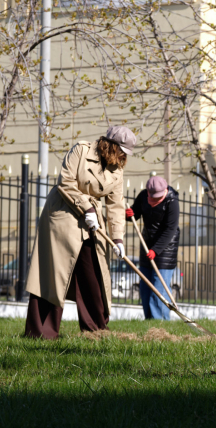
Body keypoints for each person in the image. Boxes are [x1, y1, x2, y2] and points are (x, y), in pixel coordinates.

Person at [25, 125, 136, 339]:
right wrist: (88, 208)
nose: (123, 156)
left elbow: (115, 205)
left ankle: (96, 330)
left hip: (92, 223)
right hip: (63, 214)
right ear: (110, 145)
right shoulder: (81, 150)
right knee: (53, 274)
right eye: (121, 151)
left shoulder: (117, 170)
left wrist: (118, 239)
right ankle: (41, 332)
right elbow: (65, 182)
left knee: (94, 272)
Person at [127, 175, 179, 320]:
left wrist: (156, 250)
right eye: (152, 196)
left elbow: (170, 229)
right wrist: (130, 214)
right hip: (146, 245)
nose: (155, 199)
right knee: (145, 287)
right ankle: (149, 321)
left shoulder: (172, 201)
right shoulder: (143, 196)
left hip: (165, 249)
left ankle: (159, 322)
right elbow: (135, 212)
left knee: (159, 288)